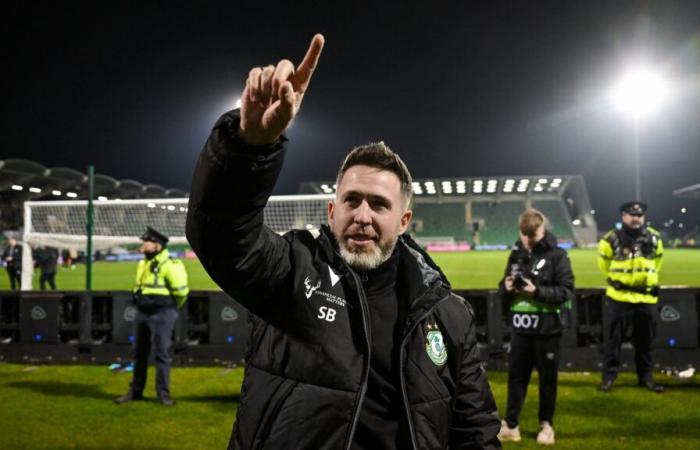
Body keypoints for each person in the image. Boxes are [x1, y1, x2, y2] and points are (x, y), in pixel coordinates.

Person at [186, 34, 501, 449]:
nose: (363, 216)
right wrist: (249, 148)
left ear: (403, 220)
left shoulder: (448, 314)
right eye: (351, 200)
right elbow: (222, 237)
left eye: (379, 205)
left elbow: (474, 429)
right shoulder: (290, 273)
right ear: (332, 212)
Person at [496, 209, 574, 446]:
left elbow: (566, 291)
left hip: (548, 331)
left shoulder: (558, 256)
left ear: (542, 229)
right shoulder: (516, 254)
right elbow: (502, 290)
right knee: (516, 379)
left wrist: (536, 291)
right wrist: (507, 288)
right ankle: (511, 426)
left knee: (547, 381)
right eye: (525, 235)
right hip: (520, 329)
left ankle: (546, 425)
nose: (528, 239)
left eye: (533, 234)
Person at [114, 227, 189, 406]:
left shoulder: (171, 264)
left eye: (146, 241)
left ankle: (163, 394)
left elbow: (181, 292)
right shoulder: (144, 263)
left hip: (163, 313)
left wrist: (169, 308)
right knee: (139, 353)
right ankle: (136, 391)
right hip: (143, 312)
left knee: (161, 354)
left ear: (157, 245)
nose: (142, 244)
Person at [598, 201, 664, 393]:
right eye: (631, 214)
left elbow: (657, 262)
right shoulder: (611, 238)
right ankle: (609, 378)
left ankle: (646, 378)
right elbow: (603, 264)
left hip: (646, 298)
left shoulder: (654, 237)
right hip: (619, 297)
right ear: (623, 216)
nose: (636, 218)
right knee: (613, 341)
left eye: (639, 215)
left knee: (645, 342)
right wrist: (619, 281)